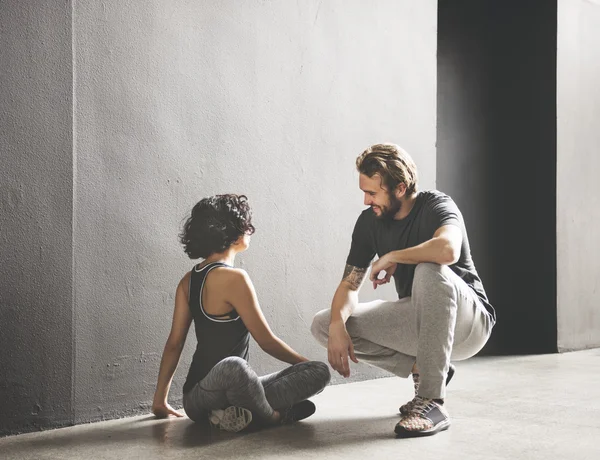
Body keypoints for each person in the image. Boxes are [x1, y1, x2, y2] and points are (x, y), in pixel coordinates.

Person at [311, 143, 496, 438]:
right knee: (324, 323)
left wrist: (394, 255)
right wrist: (336, 323)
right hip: (421, 323)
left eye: (372, 193)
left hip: (468, 323)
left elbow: (448, 249)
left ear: (399, 188)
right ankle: (425, 369)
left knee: (429, 269)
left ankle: (432, 401)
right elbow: (349, 284)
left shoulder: (436, 205)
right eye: (364, 191)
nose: (365, 200)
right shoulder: (369, 223)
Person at [152, 194, 330, 432]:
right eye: (247, 225)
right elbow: (266, 341)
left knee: (317, 371)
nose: (250, 230)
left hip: (205, 398)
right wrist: (303, 364)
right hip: (207, 395)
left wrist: (159, 399)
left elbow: (174, 344)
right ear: (233, 231)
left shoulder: (188, 281)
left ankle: (229, 415)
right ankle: (271, 417)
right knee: (235, 366)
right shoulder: (236, 279)